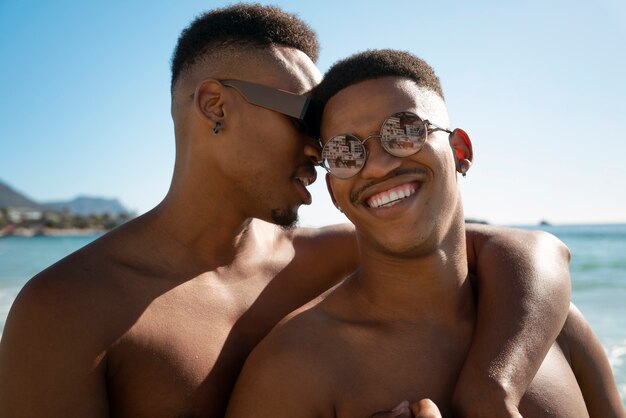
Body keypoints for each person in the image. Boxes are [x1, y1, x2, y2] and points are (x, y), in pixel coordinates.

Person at [0, 5, 573, 418]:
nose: (320, 151)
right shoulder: (69, 309)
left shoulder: (324, 256)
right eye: (306, 122)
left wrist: (489, 387)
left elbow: (531, 250)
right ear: (216, 106)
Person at [225, 49, 626, 418]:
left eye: (403, 131)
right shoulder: (293, 368)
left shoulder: (550, 323)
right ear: (334, 192)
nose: (378, 166)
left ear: (461, 152)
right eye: (346, 152)